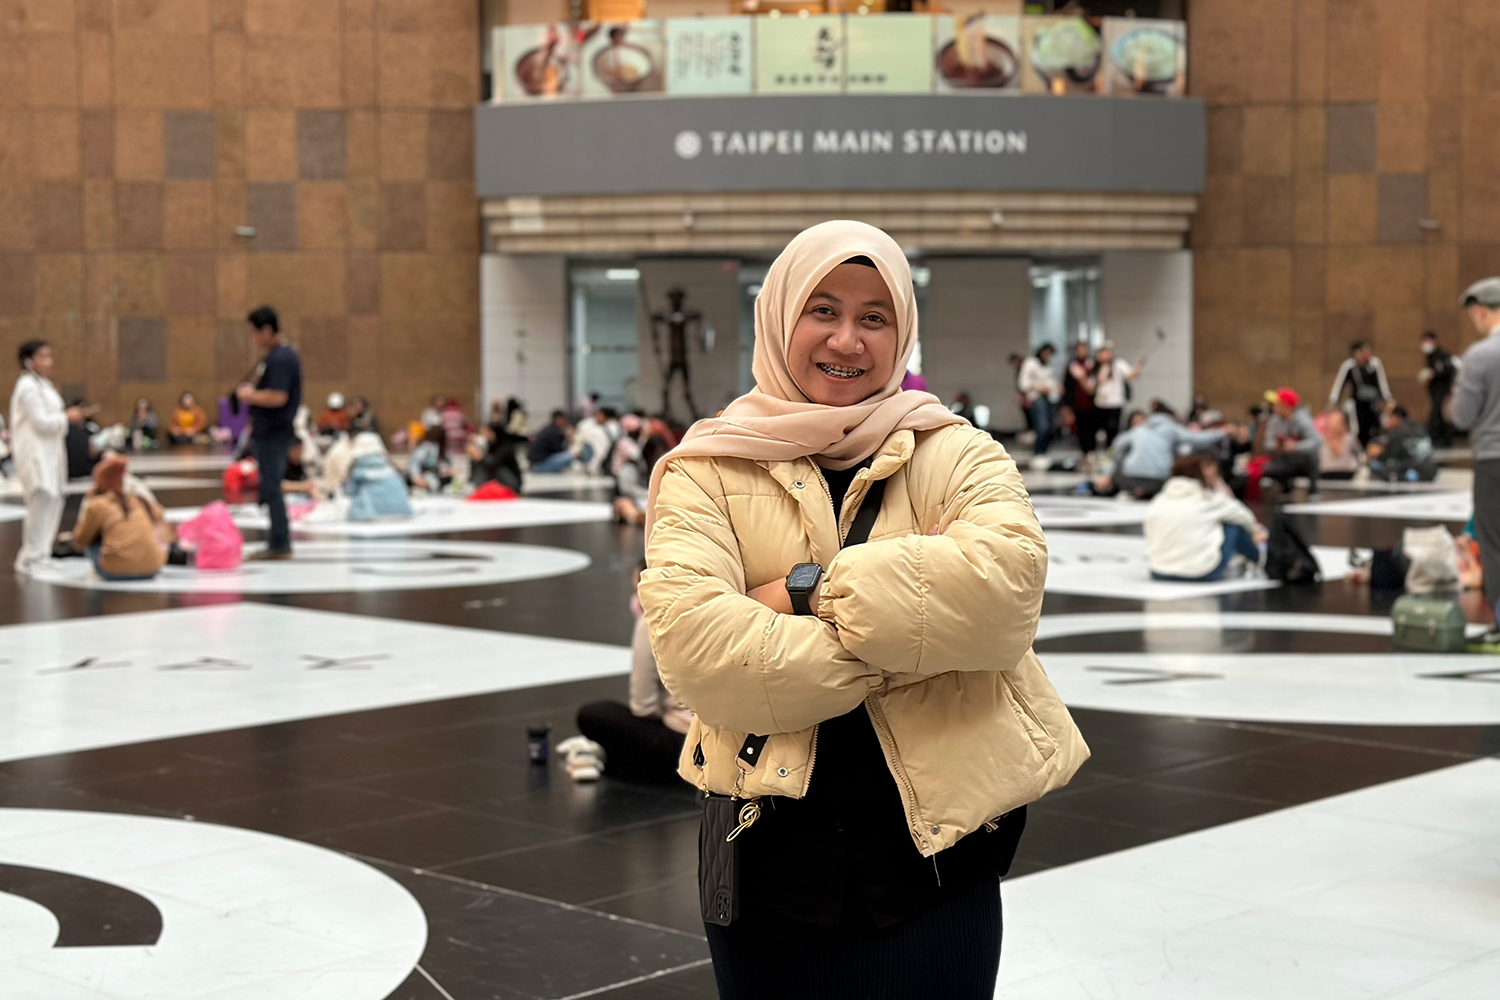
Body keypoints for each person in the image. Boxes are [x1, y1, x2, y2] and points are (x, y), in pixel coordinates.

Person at [639, 222, 1087, 998]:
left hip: (934, 859)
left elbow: (1006, 595)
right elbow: (703, 658)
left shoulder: (957, 451)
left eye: (875, 316)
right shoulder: (705, 466)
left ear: (902, 332)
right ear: (779, 317)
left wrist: (798, 593)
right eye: (823, 310)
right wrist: (917, 631)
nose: (848, 339)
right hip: (755, 851)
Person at [572, 561, 693, 784]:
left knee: (594, 714)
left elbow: (644, 707)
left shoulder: (651, 619)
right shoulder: (714, 611)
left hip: (683, 743)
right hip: (729, 741)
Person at [10, 341, 85, 573]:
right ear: (29, 360)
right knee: (40, 500)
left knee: (54, 499)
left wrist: (65, 418)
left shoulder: (46, 385)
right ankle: (31, 556)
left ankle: (42, 552)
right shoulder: (26, 386)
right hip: (35, 453)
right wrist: (67, 417)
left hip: (52, 451)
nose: (49, 362)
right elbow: (41, 422)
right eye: (43, 356)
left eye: (50, 356)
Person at [236, 306, 301, 560]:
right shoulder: (277, 356)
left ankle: (280, 543)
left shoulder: (281, 358)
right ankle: (277, 540)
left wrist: (250, 395)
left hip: (274, 433)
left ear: (266, 330)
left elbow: (278, 396)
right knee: (270, 487)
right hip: (269, 432)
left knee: (272, 488)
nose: (253, 339)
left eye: (254, 332)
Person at [1455, 278, 1500, 629]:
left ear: (1481, 311)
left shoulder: (1480, 355)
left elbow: (1462, 416)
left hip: (1493, 459)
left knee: (1495, 541)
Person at [1145, 454, 1264, 582]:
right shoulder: (1208, 499)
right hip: (1201, 572)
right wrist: (1256, 532)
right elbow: (1244, 516)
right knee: (1233, 525)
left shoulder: (1159, 501)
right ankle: (1260, 561)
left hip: (1158, 571)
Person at [71, 454, 169, 581]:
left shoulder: (98, 504)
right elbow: (161, 518)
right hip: (153, 568)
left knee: (93, 538)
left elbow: (80, 540)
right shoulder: (140, 500)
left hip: (113, 571)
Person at [1109, 409, 1228, 499]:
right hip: (1159, 478)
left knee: (1121, 460)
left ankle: (1135, 493)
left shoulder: (1140, 429)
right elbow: (1197, 439)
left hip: (1131, 476)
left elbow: (1117, 445)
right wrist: (1223, 432)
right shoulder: (1171, 428)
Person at [1329, 341, 1394, 447]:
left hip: (1374, 404)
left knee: (1376, 427)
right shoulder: (1349, 366)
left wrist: (1387, 398)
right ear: (1355, 353)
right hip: (1357, 404)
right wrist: (1334, 401)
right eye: (1362, 351)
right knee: (1357, 429)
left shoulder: (1375, 364)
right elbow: (1339, 385)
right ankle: (1359, 451)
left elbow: (1382, 383)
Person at [1257, 387, 1322, 493]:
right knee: (1267, 469)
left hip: (1303, 460)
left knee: (1312, 459)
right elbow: (1267, 443)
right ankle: (1285, 489)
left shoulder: (1303, 420)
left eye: (1277, 403)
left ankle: (1313, 490)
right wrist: (1278, 445)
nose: (1274, 406)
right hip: (1285, 459)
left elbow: (1316, 442)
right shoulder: (1274, 421)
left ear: (1286, 406)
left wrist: (1296, 446)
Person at [344, 432, 413, 521]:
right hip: (402, 511)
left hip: (372, 514)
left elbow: (350, 491)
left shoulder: (358, 470)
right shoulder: (390, 468)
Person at [1091, 342, 1144, 449]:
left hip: (1114, 404)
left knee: (1112, 431)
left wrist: (1138, 367)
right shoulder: (1096, 367)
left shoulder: (1118, 364)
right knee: (1099, 432)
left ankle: (1111, 452)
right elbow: (1092, 387)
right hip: (1100, 404)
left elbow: (1131, 375)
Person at [1367, 405, 1438, 482]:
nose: (1387, 420)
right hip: (1430, 470)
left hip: (1414, 469)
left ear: (1396, 417)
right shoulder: (1418, 427)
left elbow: (1387, 454)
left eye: (1390, 417)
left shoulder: (1399, 433)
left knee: (1375, 464)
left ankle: (1406, 476)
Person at [1018, 344, 1061, 459]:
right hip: (1037, 398)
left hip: (1050, 398)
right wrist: (1039, 388)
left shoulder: (1048, 365)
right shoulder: (1030, 363)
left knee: (1052, 427)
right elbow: (1023, 383)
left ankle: (1045, 451)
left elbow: (1051, 381)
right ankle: (1038, 452)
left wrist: (1056, 387)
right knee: (1042, 426)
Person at [1418, 331, 1460, 447]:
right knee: (1438, 413)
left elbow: (1449, 370)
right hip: (1435, 391)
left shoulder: (1442, 355)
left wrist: (1434, 374)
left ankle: (1439, 438)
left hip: (1442, 390)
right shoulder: (1430, 356)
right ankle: (1440, 438)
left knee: (1438, 413)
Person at [1064, 341, 1098, 453]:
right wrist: (1067, 406)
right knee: (1081, 429)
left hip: (1093, 404)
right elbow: (1067, 387)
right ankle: (1084, 452)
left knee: (1093, 428)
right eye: (1080, 349)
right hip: (1078, 404)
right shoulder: (1072, 366)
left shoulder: (1093, 364)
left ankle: (1092, 451)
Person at [1318, 409, 1363, 480]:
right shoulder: (1319, 440)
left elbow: (1360, 455)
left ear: (1344, 425)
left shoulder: (1350, 439)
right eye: (1332, 422)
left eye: (1338, 422)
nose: (1334, 425)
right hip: (1324, 478)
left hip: (1349, 478)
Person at [573, 406, 619, 475]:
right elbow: (577, 440)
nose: (597, 417)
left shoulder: (609, 428)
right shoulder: (586, 424)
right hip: (587, 454)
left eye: (600, 415)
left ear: (607, 418)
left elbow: (600, 452)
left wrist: (593, 468)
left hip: (601, 460)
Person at [407, 424, 451, 494]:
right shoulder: (426, 447)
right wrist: (416, 477)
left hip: (432, 479)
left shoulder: (441, 449)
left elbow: (448, 463)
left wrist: (448, 470)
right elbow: (415, 462)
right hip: (421, 480)